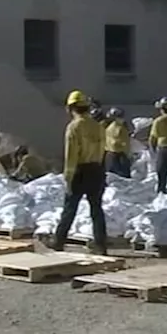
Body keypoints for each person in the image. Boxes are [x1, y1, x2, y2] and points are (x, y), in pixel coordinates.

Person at [49, 90, 108, 254]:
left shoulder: (74, 127)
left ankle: (59, 241)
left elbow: (71, 155)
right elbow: (104, 150)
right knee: (97, 209)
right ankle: (101, 245)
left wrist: (68, 177)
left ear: (70, 108)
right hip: (96, 169)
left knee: (70, 208)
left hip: (80, 171)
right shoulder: (98, 126)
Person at [102, 107, 133, 178]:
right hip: (120, 156)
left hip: (109, 155)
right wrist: (129, 155)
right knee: (123, 178)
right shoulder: (121, 128)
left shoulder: (109, 127)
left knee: (110, 178)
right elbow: (126, 143)